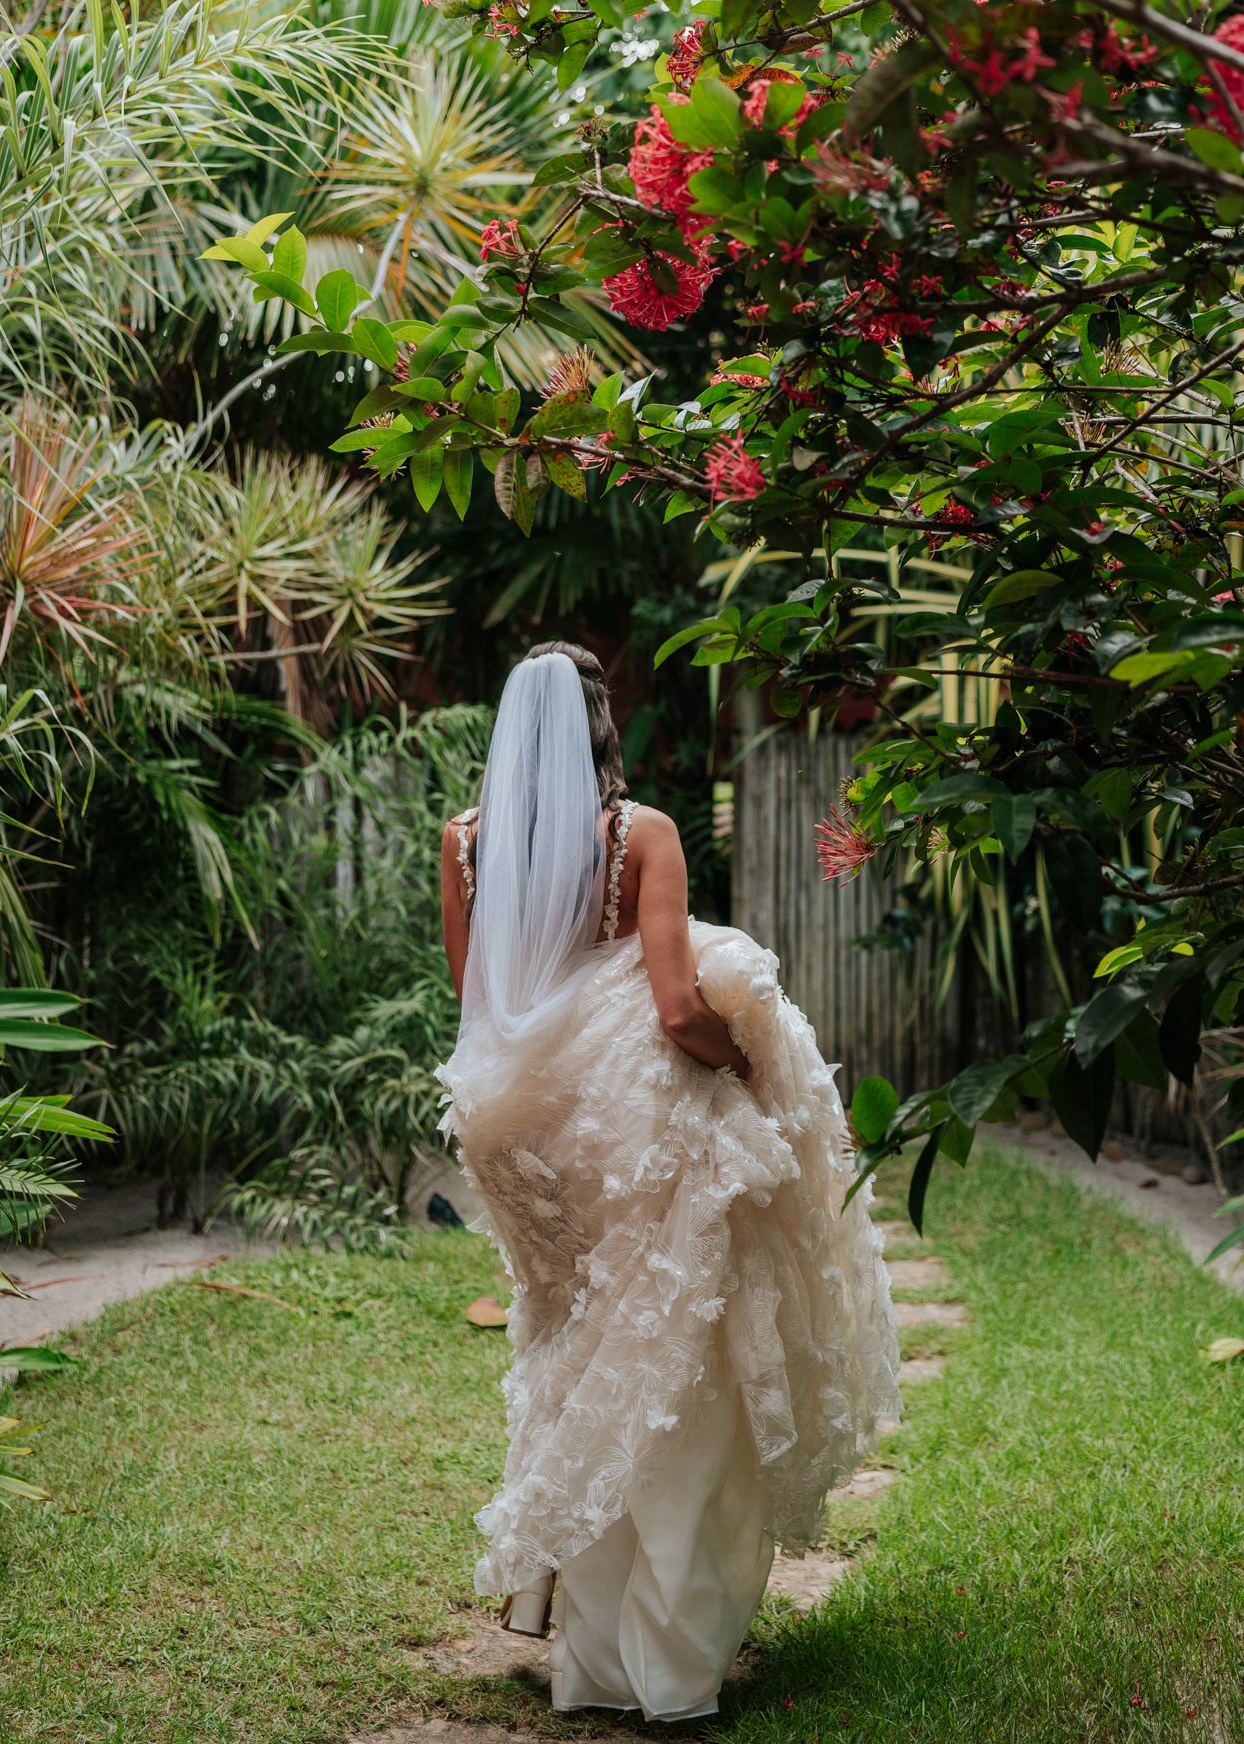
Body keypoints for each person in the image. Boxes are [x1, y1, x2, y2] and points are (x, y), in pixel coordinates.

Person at [438, 641, 900, 1722]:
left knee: (582, 1371)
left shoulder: (463, 843)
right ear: (604, 721)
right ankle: (672, 1667)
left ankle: (593, 1666)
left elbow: (476, 998)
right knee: (677, 1382)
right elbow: (677, 1009)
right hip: (641, 1127)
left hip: (530, 1136)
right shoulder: (639, 835)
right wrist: (751, 1070)